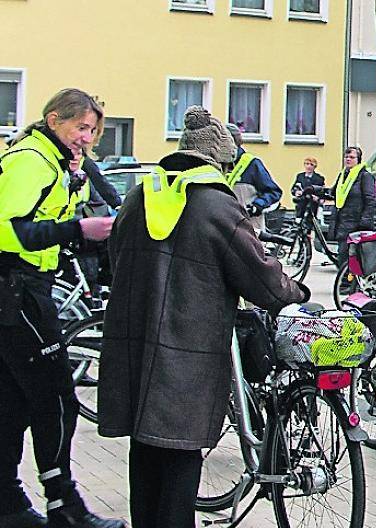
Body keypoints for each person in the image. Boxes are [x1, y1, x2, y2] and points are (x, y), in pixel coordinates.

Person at [98, 106, 308, 528]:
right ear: (218, 160)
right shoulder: (216, 205)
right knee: (180, 450)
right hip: (188, 350)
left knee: (145, 446)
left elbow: (114, 256)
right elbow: (262, 281)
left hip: (133, 342)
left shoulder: (140, 195)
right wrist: (297, 293)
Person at [0, 88, 124, 528]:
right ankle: (63, 505)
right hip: (17, 290)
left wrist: (76, 181)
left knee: (12, 399)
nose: (87, 138)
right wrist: (78, 229)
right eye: (80, 127)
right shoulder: (30, 160)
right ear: (54, 120)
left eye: (93, 131)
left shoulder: (57, 162)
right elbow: (11, 231)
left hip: (26, 288)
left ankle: (9, 503)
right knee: (57, 398)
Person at [224, 123, 283, 231]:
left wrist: (257, 206)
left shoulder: (252, 164)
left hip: (250, 227)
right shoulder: (217, 164)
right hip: (224, 226)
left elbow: (274, 192)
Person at [331, 146, 376, 269]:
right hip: (343, 223)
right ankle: (345, 285)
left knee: (353, 259)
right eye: (346, 157)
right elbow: (333, 192)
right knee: (343, 257)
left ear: (358, 159)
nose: (348, 159)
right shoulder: (343, 175)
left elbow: (370, 200)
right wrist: (315, 190)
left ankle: (348, 285)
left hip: (356, 224)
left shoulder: (365, 176)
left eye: (351, 157)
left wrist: (365, 222)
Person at [291, 156, 325, 223]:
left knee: (311, 223)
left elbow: (322, 192)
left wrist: (318, 198)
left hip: (313, 205)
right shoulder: (300, 176)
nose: (309, 166)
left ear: (314, 167)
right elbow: (293, 188)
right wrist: (296, 192)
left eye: (311, 164)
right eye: (307, 164)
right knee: (298, 222)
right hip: (301, 205)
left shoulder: (319, 178)